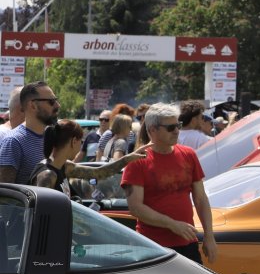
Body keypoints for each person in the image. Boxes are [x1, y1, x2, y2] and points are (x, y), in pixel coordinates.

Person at [122, 102, 216, 263]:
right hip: (152, 247)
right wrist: (172, 224)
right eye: (171, 127)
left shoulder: (189, 155)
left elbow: (200, 199)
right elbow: (136, 208)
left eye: (178, 125)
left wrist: (209, 236)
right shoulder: (137, 161)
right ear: (153, 130)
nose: (177, 131)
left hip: (188, 243)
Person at [29, 120, 144, 193]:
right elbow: (41, 215)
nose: (81, 145)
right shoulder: (48, 175)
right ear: (74, 141)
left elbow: (99, 173)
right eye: (81, 141)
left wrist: (127, 159)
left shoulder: (65, 166)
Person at [0, 82, 60, 184]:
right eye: (51, 101)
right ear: (33, 105)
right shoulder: (13, 142)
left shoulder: (52, 137)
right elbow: (4, 190)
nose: (57, 105)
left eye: (56, 100)